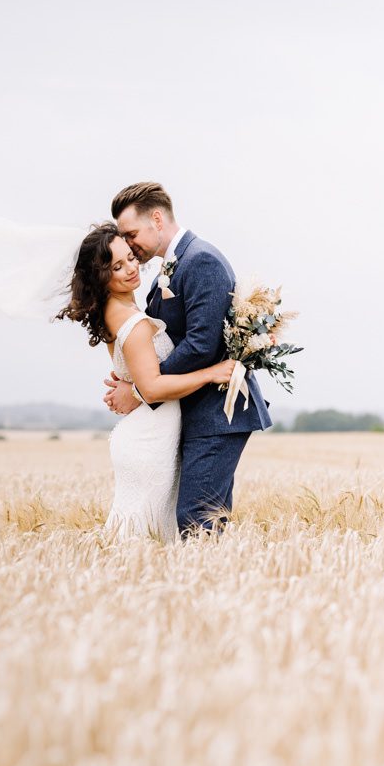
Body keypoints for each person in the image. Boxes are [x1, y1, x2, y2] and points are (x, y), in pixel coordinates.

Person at [105, 182, 272, 535]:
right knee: (199, 524)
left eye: (132, 233)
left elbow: (201, 345)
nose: (129, 244)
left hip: (216, 414)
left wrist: (141, 389)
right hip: (194, 411)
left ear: (156, 218)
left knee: (197, 522)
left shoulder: (201, 260)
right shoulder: (173, 266)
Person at [56, 223, 236, 541]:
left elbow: (140, 377)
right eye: (117, 266)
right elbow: (151, 388)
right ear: (101, 276)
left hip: (148, 432)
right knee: (145, 535)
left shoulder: (116, 310)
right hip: (151, 439)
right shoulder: (134, 321)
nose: (130, 269)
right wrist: (212, 372)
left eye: (130, 258)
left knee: (138, 535)